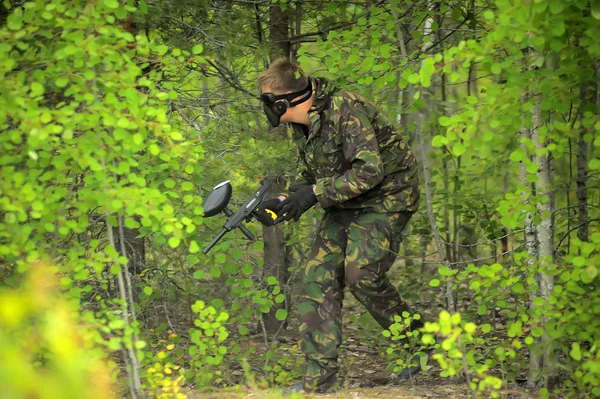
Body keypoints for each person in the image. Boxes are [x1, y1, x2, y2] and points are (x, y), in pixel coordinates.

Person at [254, 58, 426, 393]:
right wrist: (287, 200)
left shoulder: (345, 109)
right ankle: (319, 383)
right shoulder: (301, 125)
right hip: (344, 200)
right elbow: (314, 174)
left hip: (387, 196)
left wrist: (316, 193)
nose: (265, 108)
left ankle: (417, 342)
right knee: (317, 277)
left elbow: (369, 171)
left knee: (360, 274)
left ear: (284, 101)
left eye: (267, 100)